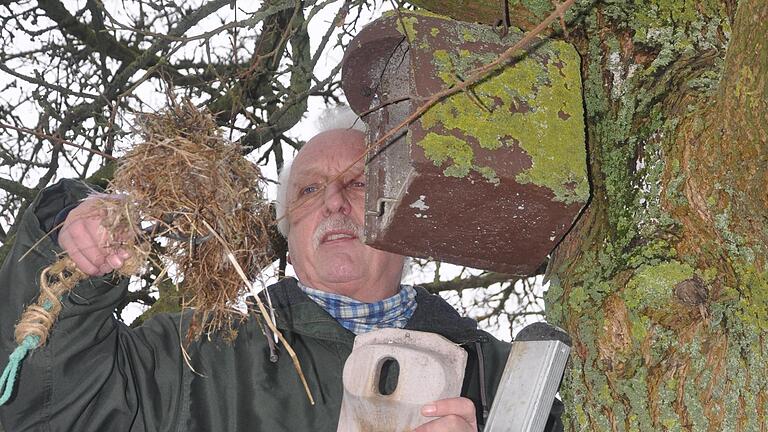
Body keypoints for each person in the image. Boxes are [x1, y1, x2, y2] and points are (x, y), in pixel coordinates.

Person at [0, 111, 563, 431]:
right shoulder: (195, 356)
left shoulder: (499, 377)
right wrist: (69, 245)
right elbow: (44, 407)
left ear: (406, 214)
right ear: (287, 230)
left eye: (360, 182)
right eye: (311, 189)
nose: (336, 202)